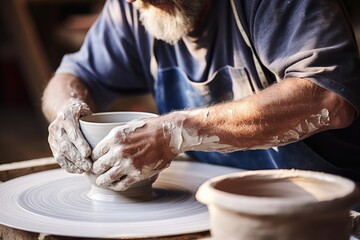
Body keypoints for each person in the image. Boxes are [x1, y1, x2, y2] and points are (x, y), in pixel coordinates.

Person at [42, 0, 360, 192]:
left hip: (320, 204)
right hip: (211, 199)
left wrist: (178, 131)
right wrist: (65, 110)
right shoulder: (136, 7)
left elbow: (326, 97)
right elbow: (74, 76)